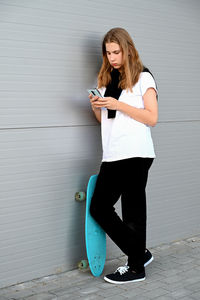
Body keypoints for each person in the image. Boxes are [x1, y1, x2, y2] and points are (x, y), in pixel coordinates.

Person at [88, 28, 158, 284]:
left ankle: (136, 268)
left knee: (133, 213)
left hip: (136, 153)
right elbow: (105, 121)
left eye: (116, 52)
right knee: (99, 207)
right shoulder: (105, 80)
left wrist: (118, 104)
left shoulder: (144, 77)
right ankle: (138, 253)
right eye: (108, 52)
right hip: (113, 154)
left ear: (128, 49)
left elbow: (152, 117)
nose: (112, 57)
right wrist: (97, 106)